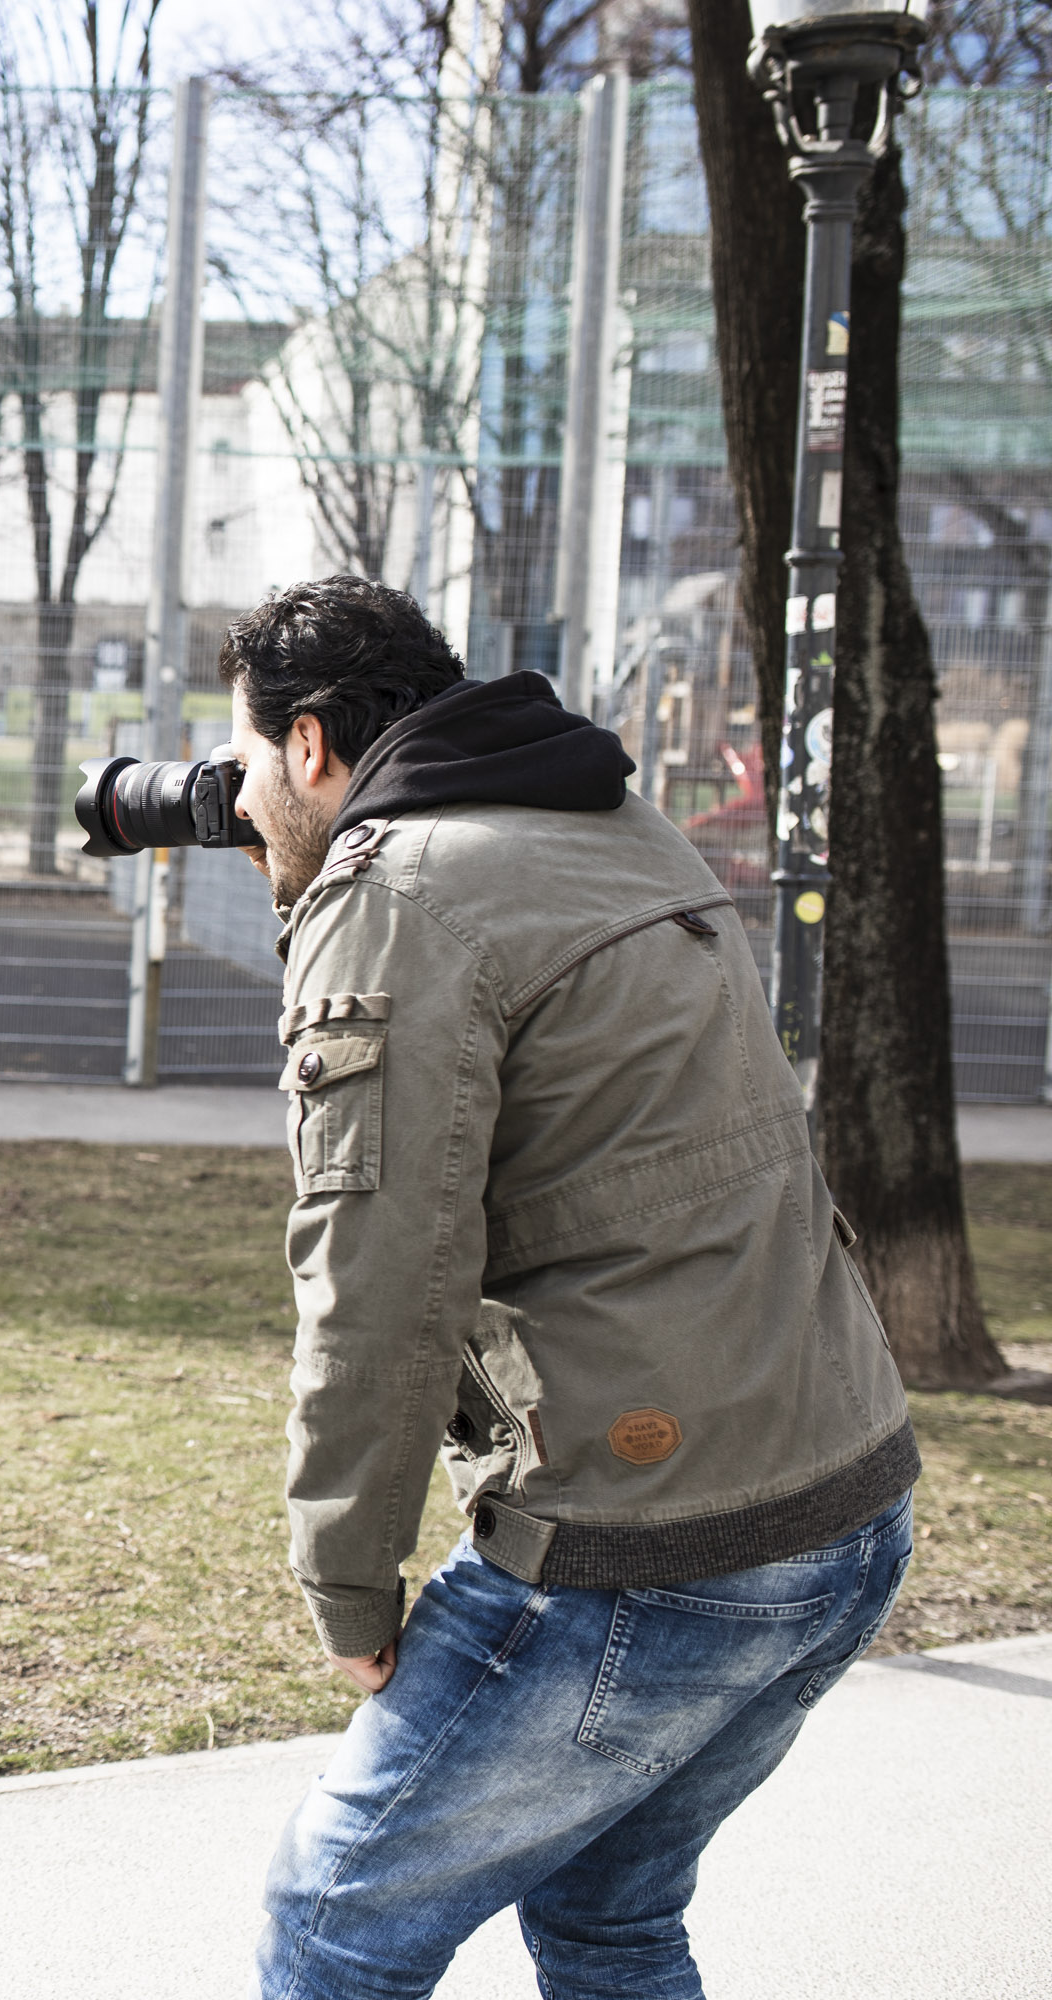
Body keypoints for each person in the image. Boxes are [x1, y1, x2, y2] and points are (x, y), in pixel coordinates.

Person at [221, 575, 917, 2000]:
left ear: (309, 744)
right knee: (611, 1918)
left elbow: (374, 1283)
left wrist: (348, 1587)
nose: (233, 801)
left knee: (332, 1921)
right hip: (847, 1499)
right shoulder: (611, 814)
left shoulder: (395, 893)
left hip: (655, 1546)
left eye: (241, 763)